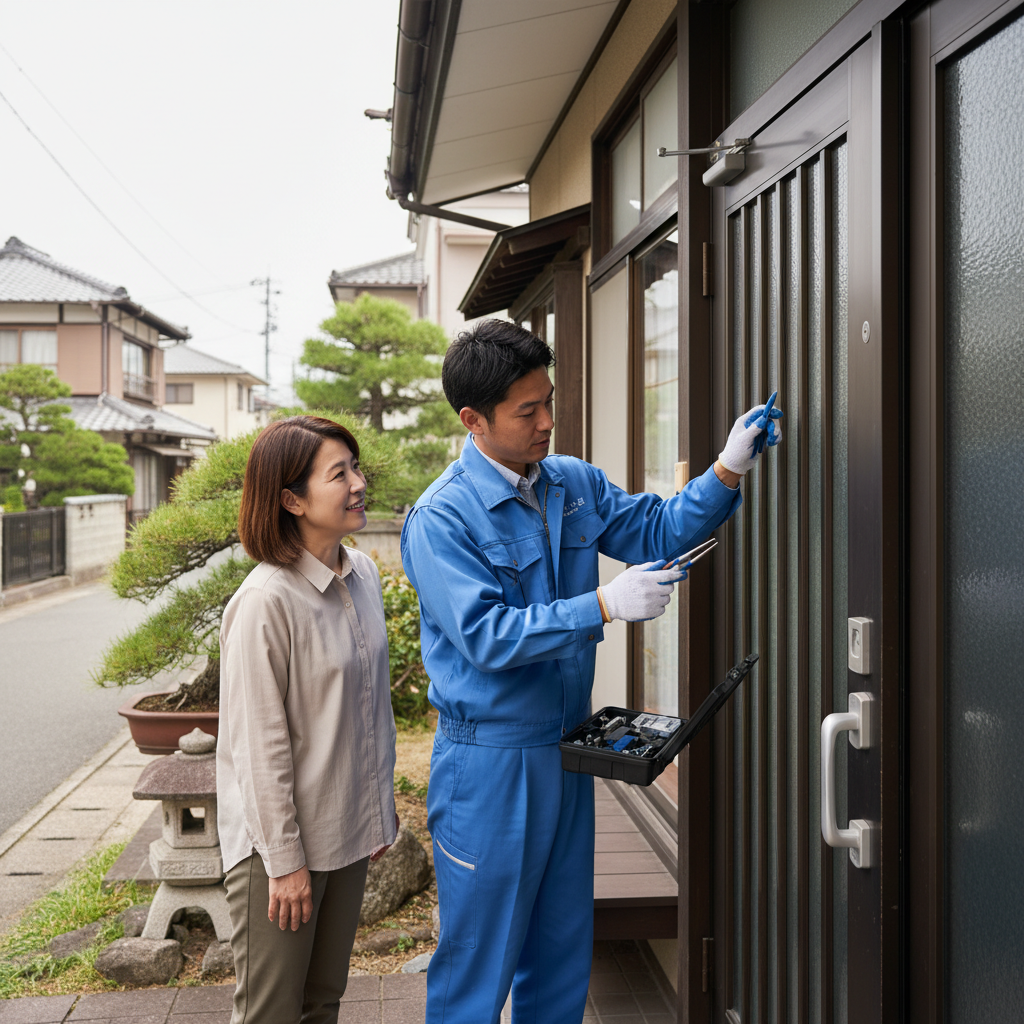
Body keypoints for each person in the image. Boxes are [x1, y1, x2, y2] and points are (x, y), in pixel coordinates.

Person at [400, 320, 781, 1024]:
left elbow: (661, 530)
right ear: (472, 421)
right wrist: (602, 604)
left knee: (562, 949)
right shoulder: (441, 518)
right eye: (527, 411)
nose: (547, 422)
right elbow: (486, 637)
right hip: (489, 763)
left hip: (570, 750)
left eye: (550, 401)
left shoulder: (568, 483)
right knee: (477, 966)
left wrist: (728, 467)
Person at [217, 415, 398, 1024]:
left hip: (345, 831)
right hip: (279, 850)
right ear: (291, 499)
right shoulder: (266, 601)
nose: (358, 483)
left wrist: (377, 813)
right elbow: (257, 747)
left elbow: (368, 708)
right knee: (271, 1013)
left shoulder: (362, 575)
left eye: (356, 467)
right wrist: (286, 863)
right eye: (337, 473)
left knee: (323, 1002)